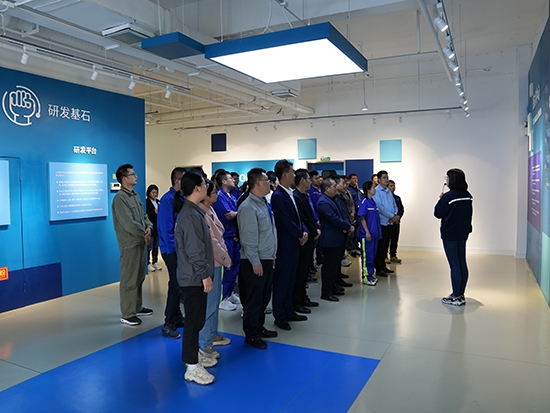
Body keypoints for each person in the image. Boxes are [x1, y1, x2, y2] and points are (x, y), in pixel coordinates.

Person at [175, 171, 217, 385]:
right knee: (193, 322)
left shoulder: (193, 211)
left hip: (194, 276)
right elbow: (194, 250)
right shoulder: (190, 215)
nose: (207, 187)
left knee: (197, 320)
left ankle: (194, 357)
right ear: (197, 188)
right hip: (193, 278)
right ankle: (191, 367)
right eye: (204, 184)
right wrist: (205, 275)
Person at [238, 168, 278, 349]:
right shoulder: (248, 207)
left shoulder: (263, 203)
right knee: (254, 299)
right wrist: (255, 261)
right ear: (257, 183)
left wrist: (272, 255)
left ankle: (259, 326)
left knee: (263, 297)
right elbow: (248, 238)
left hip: (266, 258)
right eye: (266, 180)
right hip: (254, 261)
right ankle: (251, 334)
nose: (269, 183)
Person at [112, 164, 153, 326]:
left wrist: (149, 228)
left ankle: (137, 307)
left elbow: (144, 216)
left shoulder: (135, 195)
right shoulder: (120, 198)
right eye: (132, 174)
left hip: (140, 242)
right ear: (124, 178)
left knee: (139, 277)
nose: (136, 176)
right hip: (130, 244)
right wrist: (144, 233)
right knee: (129, 279)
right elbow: (129, 223)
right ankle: (127, 313)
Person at [271, 159, 308, 331]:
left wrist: (304, 231)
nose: (294, 175)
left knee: (291, 278)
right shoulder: (278, 196)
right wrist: (300, 234)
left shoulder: (290, 193)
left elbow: (299, 217)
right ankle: (280, 315)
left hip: (294, 242)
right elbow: (286, 221)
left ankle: (289, 310)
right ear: (285, 174)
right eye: (292, 172)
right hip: (285, 244)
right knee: (283, 280)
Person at [198, 180, 233, 358]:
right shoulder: (201, 214)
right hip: (212, 263)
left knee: (214, 303)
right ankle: (205, 345)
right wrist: (226, 259)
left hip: (217, 262)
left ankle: (212, 335)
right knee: (209, 305)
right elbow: (213, 242)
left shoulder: (210, 209)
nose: (216, 195)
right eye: (213, 192)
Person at [434, 168, 473, 306]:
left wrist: (440, 199)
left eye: (447, 178)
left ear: (452, 180)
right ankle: (460, 294)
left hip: (450, 234)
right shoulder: (467, 195)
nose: (446, 180)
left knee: (454, 265)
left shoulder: (449, 197)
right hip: (463, 233)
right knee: (462, 262)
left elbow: (438, 213)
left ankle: (456, 296)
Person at [157, 168, 186, 339]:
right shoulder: (167, 200)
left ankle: (177, 317)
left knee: (176, 284)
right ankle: (168, 323)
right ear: (177, 181)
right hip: (171, 250)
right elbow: (166, 228)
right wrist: (174, 250)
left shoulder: (181, 198)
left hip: (179, 249)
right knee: (176, 285)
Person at [317, 177, 354, 302]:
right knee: (329, 267)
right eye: (333, 186)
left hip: (337, 237)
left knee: (334, 266)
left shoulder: (332, 199)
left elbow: (340, 215)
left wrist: (346, 226)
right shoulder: (323, 202)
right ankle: (326, 292)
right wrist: (347, 226)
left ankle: (333, 287)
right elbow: (333, 218)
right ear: (327, 189)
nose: (335, 188)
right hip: (330, 239)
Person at [212, 170, 241, 311]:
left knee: (235, 265)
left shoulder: (232, 196)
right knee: (228, 267)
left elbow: (237, 211)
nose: (233, 180)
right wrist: (237, 213)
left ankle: (230, 292)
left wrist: (237, 213)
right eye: (230, 178)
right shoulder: (219, 196)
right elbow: (227, 214)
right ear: (224, 181)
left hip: (234, 235)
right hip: (227, 236)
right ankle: (224, 298)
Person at [293, 169, 321, 313]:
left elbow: (311, 215)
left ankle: (303, 297)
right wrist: (313, 230)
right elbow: (302, 218)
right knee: (300, 271)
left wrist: (315, 228)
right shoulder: (296, 196)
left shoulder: (305, 195)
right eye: (309, 178)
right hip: (303, 238)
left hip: (310, 236)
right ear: (303, 180)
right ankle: (297, 301)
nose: (310, 181)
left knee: (305, 271)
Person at [372, 170, 398, 277]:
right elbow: (380, 207)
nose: (386, 179)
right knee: (380, 247)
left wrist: (395, 215)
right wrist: (391, 216)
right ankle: (378, 268)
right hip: (382, 222)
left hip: (390, 222)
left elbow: (394, 204)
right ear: (378, 180)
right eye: (384, 177)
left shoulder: (388, 191)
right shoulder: (376, 191)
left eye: (387, 177)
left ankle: (383, 266)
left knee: (386, 245)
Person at [358, 181, 381, 286]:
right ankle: (366, 277)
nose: (375, 189)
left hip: (374, 234)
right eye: (373, 188)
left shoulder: (373, 202)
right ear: (368, 190)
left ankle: (370, 275)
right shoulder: (364, 202)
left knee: (372, 256)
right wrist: (367, 232)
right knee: (367, 257)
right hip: (366, 235)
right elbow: (362, 218)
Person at [387, 179, 404, 264]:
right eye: (390, 186)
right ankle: (384, 256)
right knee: (386, 240)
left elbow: (401, 209)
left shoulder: (397, 198)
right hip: (388, 221)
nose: (392, 187)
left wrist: (398, 217)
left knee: (394, 239)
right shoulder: (385, 198)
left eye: (393, 186)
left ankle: (393, 255)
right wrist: (391, 217)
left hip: (396, 222)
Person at [146, 184, 162, 272]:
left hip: (157, 227)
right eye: (153, 192)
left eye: (156, 193)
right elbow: (147, 214)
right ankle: (148, 263)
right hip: (150, 226)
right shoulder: (147, 202)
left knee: (156, 246)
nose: (155, 194)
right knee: (150, 246)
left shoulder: (158, 202)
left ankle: (155, 261)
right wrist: (154, 212)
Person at [347, 173, 364, 257]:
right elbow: (351, 202)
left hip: (359, 213)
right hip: (353, 213)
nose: (355, 180)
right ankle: (351, 249)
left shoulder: (358, 190)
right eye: (353, 178)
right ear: (349, 180)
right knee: (352, 232)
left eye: (356, 178)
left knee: (357, 231)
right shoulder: (348, 190)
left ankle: (355, 247)